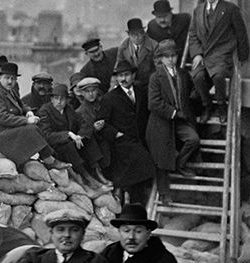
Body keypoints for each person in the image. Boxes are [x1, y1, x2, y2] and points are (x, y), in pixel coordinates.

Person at [0, 61, 68, 168]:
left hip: (4, 127)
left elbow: (21, 104)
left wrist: (28, 112)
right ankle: (49, 159)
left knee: (35, 127)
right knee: (31, 129)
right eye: (7, 78)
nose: (10, 81)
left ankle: (47, 157)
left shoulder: (9, 90)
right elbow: (2, 118)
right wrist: (26, 121)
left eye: (13, 79)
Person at [190, 0, 250, 125]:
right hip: (204, 55)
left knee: (218, 76)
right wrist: (196, 54)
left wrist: (243, 55)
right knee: (197, 77)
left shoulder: (229, 9)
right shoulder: (198, 11)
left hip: (222, 54)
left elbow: (241, 32)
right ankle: (208, 106)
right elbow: (193, 34)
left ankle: (222, 107)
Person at [146, 40, 202, 204]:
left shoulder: (183, 74)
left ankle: (180, 163)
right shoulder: (156, 77)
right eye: (167, 57)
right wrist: (174, 113)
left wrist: (195, 96)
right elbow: (153, 103)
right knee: (162, 156)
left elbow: (192, 90)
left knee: (193, 140)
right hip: (161, 123)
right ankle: (165, 194)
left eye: (173, 56)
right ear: (161, 59)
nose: (171, 59)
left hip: (181, 120)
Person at [99, 66, 156, 205]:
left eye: (126, 75)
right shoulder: (110, 97)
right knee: (140, 167)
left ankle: (137, 208)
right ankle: (121, 199)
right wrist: (117, 134)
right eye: (120, 76)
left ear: (133, 75)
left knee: (138, 181)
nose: (123, 79)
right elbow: (102, 124)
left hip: (141, 141)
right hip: (121, 146)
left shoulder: (141, 93)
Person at [37, 83, 100, 184]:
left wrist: (80, 135)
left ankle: (97, 171)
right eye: (56, 98)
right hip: (56, 148)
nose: (59, 102)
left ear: (67, 100)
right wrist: (68, 134)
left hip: (73, 142)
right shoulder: (45, 111)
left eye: (62, 99)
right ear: (51, 99)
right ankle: (86, 176)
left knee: (88, 138)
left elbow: (82, 122)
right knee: (69, 146)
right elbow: (46, 136)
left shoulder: (69, 109)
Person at [34, 208, 101, 263]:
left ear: (83, 234)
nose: (67, 235)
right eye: (60, 230)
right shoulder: (35, 258)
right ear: (51, 233)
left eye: (74, 230)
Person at [73, 77, 110, 180]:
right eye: (87, 91)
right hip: (94, 142)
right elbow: (81, 132)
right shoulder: (79, 112)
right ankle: (98, 172)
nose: (91, 94)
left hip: (107, 136)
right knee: (89, 141)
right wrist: (93, 129)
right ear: (82, 93)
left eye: (93, 90)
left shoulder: (104, 104)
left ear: (97, 91)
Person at [114, 17, 154, 88]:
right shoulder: (123, 46)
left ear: (143, 33)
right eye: (133, 34)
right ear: (128, 35)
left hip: (149, 84)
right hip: (130, 84)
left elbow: (159, 69)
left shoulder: (153, 45)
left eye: (139, 33)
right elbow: (118, 68)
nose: (136, 37)